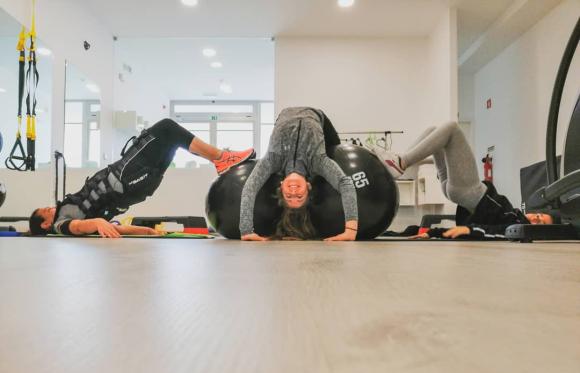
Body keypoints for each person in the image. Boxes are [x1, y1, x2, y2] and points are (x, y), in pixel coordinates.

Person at [29, 118, 254, 238]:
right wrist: (96, 222)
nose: (50, 207)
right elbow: (78, 227)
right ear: (46, 223)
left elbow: (114, 229)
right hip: (123, 177)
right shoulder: (60, 225)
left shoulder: (79, 218)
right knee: (166, 127)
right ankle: (221, 158)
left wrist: (146, 232)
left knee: (173, 140)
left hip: (138, 188)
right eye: (45, 211)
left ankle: (221, 158)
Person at [370, 121, 556, 239]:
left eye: (540, 223)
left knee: (452, 129)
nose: (535, 218)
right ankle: (399, 164)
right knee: (434, 131)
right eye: (539, 216)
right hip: (458, 191)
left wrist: (471, 231)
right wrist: (432, 233)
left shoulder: (518, 226)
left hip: (471, 193)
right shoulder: (516, 215)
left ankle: (401, 163)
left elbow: (498, 232)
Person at [240, 107, 358, 241]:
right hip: (315, 114)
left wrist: (246, 231)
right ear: (308, 186)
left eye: (288, 196)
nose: (293, 192)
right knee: (336, 148)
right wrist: (351, 231)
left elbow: (250, 187)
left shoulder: (271, 160)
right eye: (300, 196)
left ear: (281, 186)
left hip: (285, 113)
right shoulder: (318, 161)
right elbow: (345, 184)